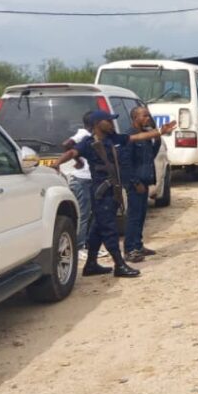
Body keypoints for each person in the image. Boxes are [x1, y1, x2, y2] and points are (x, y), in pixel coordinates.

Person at [51, 110, 177, 278]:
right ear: (97, 125)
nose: (111, 124)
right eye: (108, 121)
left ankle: (91, 264)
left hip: (112, 190)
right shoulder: (88, 143)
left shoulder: (114, 139)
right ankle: (119, 264)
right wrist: (57, 163)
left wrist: (161, 131)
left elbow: (138, 138)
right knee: (109, 229)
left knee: (97, 228)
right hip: (101, 192)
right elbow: (72, 152)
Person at [119, 106, 162, 262]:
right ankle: (130, 250)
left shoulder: (144, 136)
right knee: (133, 217)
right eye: (144, 116)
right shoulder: (129, 136)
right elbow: (125, 163)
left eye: (148, 115)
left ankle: (138, 245)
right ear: (135, 118)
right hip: (135, 183)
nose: (148, 118)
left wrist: (157, 140)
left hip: (144, 181)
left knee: (142, 215)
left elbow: (150, 156)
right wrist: (135, 182)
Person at [60, 112, 95, 251]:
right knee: (83, 214)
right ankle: (79, 246)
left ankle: (85, 243)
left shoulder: (88, 135)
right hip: (82, 179)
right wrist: (78, 160)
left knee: (88, 213)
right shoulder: (83, 134)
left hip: (87, 178)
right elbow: (66, 144)